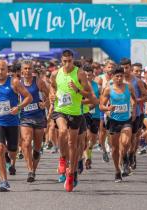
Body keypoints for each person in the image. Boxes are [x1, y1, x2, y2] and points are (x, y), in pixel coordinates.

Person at [0, 60, 32, 192]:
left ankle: (8, 160)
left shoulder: (14, 82)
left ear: (7, 70)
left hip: (12, 122)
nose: (0, 72)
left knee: (12, 150)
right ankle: (4, 181)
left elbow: (29, 97)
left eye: (2, 69)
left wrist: (19, 107)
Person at [50, 50, 92, 192]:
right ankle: (62, 159)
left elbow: (89, 94)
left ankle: (71, 174)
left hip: (75, 112)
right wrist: (52, 95)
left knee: (72, 145)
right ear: (61, 61)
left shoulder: (79, 73)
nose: (67, 64)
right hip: (60, 110)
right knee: (62, 131)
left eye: (69, 61)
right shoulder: (56, 74)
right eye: (64, 61)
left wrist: (77, 90)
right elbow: (52, 87)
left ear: (73, 60)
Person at [100, 66, 136, 182]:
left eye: (121, 76)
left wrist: (133, 109)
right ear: (112, 77)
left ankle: (125, 158)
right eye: (117, 76)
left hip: (126, 119)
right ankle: (117, 171)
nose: (119, 78)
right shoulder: (108, 89)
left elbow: (134, 99)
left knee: (125, 142)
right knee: (115, 148)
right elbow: (101, 106)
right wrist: (108, 108)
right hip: (113, 121)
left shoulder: (129, 87)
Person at [19, 61, 49, 183]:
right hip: (25, 117)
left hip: (38, 117)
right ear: (22, 71)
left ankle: (34, 171)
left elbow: (50, 96)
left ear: (32, 70)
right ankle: (30, 170)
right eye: (25, 69)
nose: (27, 71)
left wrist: (45, 104)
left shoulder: (39, 82)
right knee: (26, 143)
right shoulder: (18, 83)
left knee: (37, 148)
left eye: (29, 68)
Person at [121, 58, 147, 171]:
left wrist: (135, 100)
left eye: (127, 67)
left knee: (133, 139)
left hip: (136, 113)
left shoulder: (137, 81)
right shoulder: (117, 80)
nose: (124, 70)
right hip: (121, 114)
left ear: (130, 68)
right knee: (124, 140)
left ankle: (132, 154)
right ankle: (124, 160)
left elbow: (146, 97)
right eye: (123, 67)